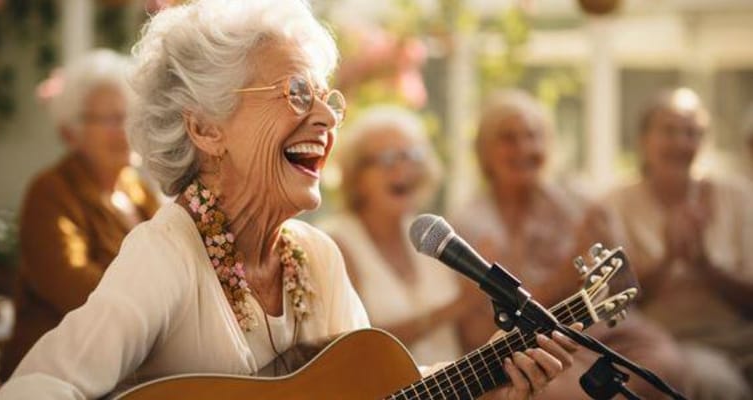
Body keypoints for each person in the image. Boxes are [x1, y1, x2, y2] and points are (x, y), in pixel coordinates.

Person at [0, 2, 577, 399]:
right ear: (206, 128)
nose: (325, 117)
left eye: (327, 98)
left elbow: (381, 390)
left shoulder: (315, 256)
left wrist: (487, 384)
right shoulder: (167, 252)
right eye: (297, 93)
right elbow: (41, 385)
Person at [451, 89, 687, 399]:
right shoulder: (472, 223)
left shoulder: (579, 201)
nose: (524, 148)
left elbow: (627, 285)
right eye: (509, 138)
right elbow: (480, 332)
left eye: (533, 136)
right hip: (538, 348)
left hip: (605, 332)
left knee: (666, 363)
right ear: (485, 152)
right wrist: (563, 278)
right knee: (568, 390)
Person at [1, 50, 161, 377]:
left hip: (130, 358)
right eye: (111, 119)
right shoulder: (50, 192)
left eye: (130, 115)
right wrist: (161, 305)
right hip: (59, 371)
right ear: (71, 132)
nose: (126, 129)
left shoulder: (138, 190)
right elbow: (74, 286)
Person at [588, 88, 753, 399]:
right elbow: (611, 306)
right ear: (644, 140)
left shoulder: (739, 197)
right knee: (721, 384)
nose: (680, 142)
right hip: (673, 344)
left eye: (691, 133)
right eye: (669, 131)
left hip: (743, 337)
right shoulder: (613, 206)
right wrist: (667, 260)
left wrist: (706, 267)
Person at [319, 105, 471, 366]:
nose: (404, 169)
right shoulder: (334, 244)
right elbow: (356, 350)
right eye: (388, 158)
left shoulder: (431, 233)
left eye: (413, 156)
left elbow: (469, 336)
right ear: (357, 175)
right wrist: (456, 307)